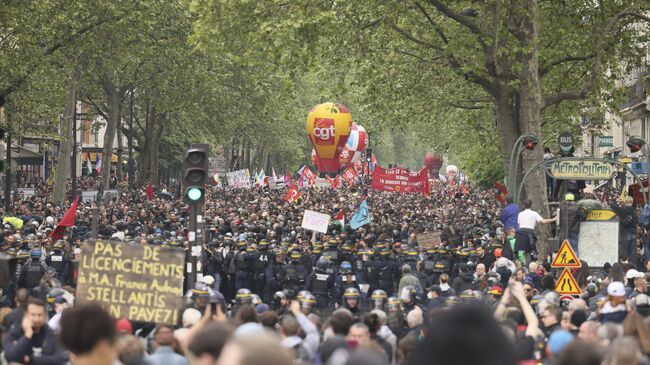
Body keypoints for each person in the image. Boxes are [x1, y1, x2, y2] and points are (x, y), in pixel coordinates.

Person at [3, 297, 68, 364]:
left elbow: (59, 359)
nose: (36, 319)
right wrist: (27, 335)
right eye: (33, 315)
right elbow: (11, 357)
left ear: (45, 315)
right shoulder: (15, 331)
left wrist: (30, 360)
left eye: (39, 315)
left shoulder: (50, 333)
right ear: (26, 314)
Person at [515, 199, 558, 266]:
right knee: (529, 251)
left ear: (524, 205)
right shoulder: (534, 214)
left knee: (517, 250)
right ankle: (529, 265)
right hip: (529, 233)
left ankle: (518, 264)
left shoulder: (520, 214)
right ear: (531, 205)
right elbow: (543, 222)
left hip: (520, 233)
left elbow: (519, 223)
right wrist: (554, 219)